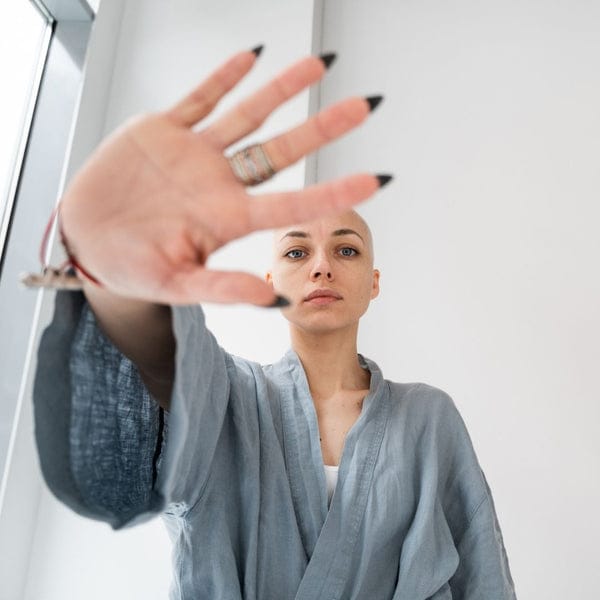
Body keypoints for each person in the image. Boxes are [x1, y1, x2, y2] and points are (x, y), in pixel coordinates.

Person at [33, 47, 517, 599]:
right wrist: (118, 273)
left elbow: (483, 578)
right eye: (296, 252)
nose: (321, 266)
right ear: (272, 279)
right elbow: (161, 374)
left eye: (347, 250)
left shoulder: (429, 417)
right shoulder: (229, 396)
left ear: (374, 283)